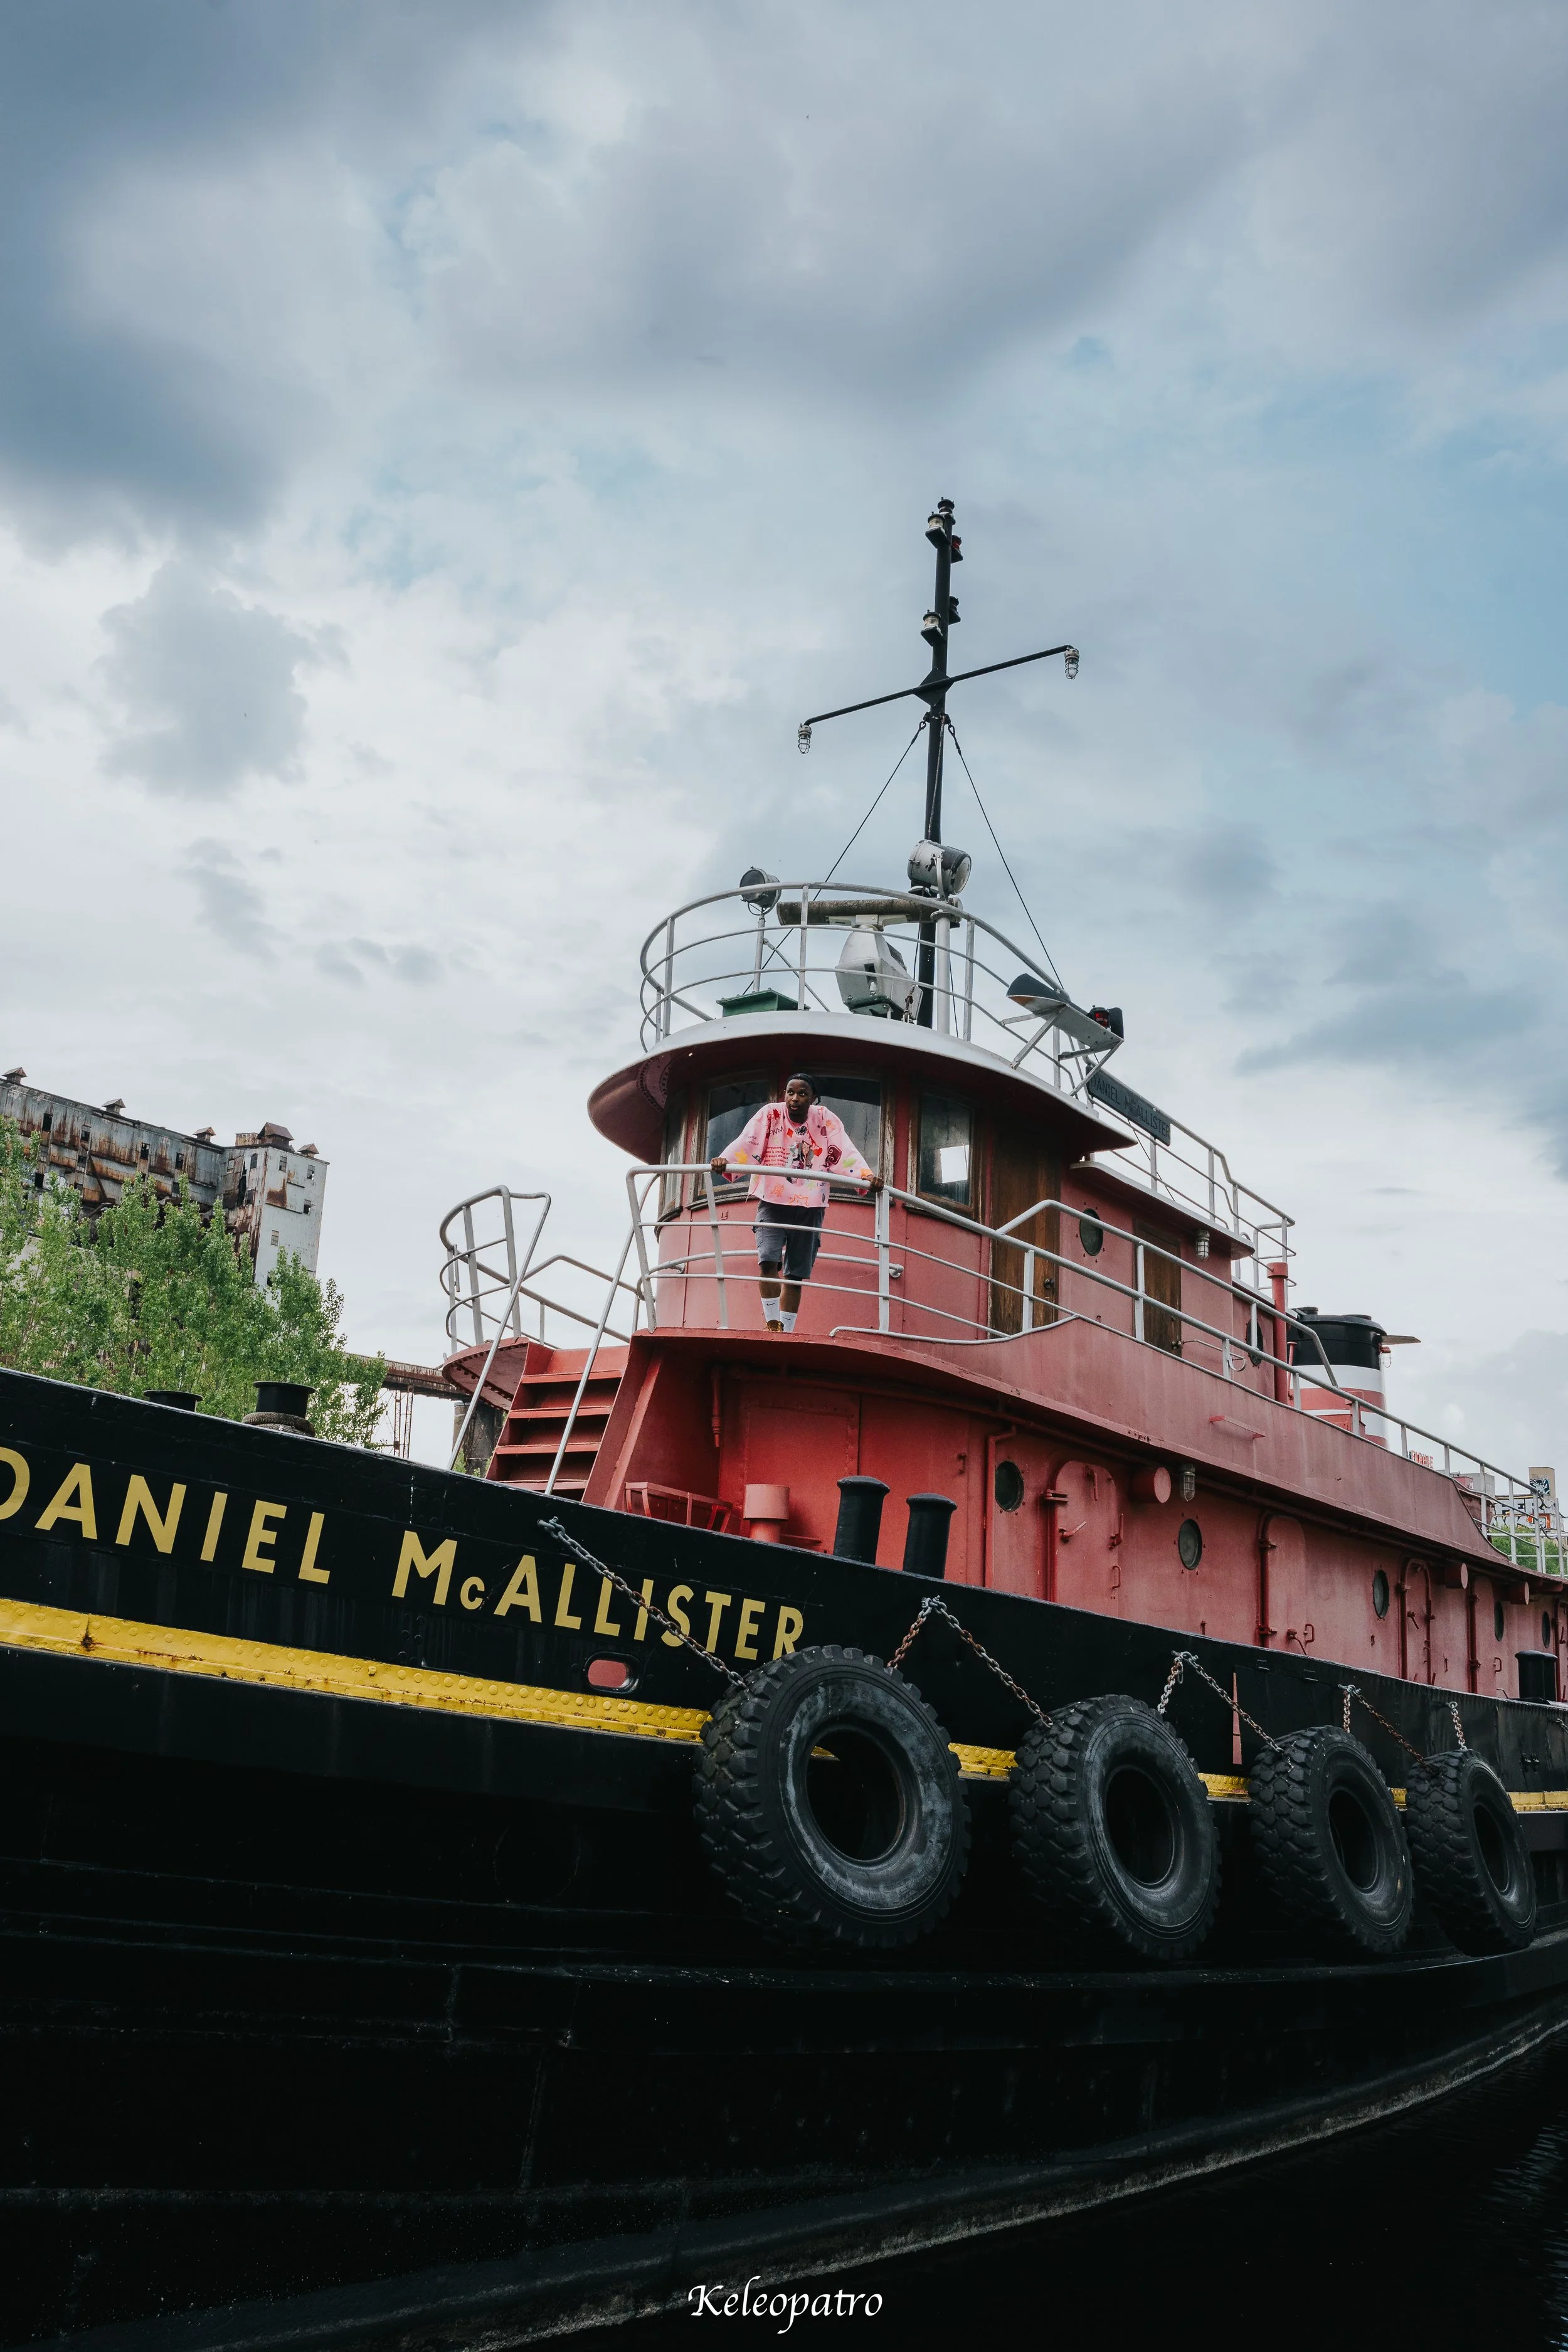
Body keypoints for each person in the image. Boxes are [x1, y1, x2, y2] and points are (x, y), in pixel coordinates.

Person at [709, 1073, 881, 1333]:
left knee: (795, 1274)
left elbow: (843, 1151)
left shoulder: (825, 1119)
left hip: (810, 1204)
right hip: (772, 1199)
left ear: (814, 1098)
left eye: (802, 1094)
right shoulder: (770, 1114)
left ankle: (787, 1331)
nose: (795, 1099)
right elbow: (750, 1141)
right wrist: (726, 1160)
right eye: (790, 1092)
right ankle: (772, 1324)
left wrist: (866, 1176)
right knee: (767, 1261)